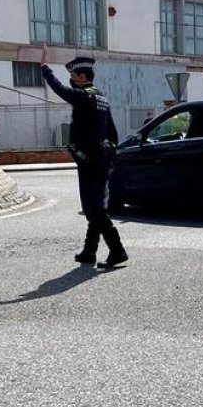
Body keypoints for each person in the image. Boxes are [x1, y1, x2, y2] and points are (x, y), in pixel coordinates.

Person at [41, 56, 128, 269]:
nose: (71, 79)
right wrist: (110, 159)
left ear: (81, 77)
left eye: (73, 75)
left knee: (94, 208)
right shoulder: (100, 97)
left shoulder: (83, 96)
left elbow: (59, 89)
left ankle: (117, 250)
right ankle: (90, 251)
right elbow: (112, 132)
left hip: (89, 160)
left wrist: (45, 69)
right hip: (100, 158)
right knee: (92, 207)